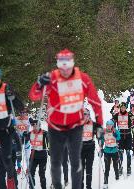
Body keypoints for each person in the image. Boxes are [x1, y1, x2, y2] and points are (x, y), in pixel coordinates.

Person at [29, 49, 103, 189]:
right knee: (56, 162)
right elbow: (34, 96)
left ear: (72, 63)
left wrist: (99, 123)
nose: (65, 69)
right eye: (61, 64)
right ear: (58, 64)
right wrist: (38, 83)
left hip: (75, 126)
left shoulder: (83, 78)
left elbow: (95, 101)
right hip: (55, 127)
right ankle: (57, 185)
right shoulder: (51, 78)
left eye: (67, 64)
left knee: (75, 161)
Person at [23, 118, 48, 189]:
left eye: (35, 125)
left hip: (42, 156)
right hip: (33, 156)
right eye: (32, 125)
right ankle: (32, 186)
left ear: (39, 125)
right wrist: (24, 135)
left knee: (41, 174)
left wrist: (49, 150)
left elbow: (49, 143)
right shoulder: (30, 133)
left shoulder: (44, 133)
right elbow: (23, 141)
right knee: (30, 173)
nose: (34, 127)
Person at [112, 102, 134, 176]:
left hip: (128, 136)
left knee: (128, 153)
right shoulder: (117, 115)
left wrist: (133, 123)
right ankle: (120, 167)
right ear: (120, 108)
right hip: (120, 137)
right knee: (120, 153)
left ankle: (129, 168)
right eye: (121, 107)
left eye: (124, 107)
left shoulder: (129, 114)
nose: (123, 109)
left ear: (126, 108)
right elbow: (111, 122)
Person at [81, 108, 102, 189]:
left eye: (86, 115)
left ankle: (88, 186)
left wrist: (99, 133)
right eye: (83, 115)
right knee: (81, 168)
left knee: (89, 167)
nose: (84, 117)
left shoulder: (94, 124)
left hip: (90, 147)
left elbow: (99, 133)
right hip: (80, 148)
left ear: (89, 116)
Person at [100, 120, 120, 189]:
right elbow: (101, 140)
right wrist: (101, 149)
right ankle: (105, 183)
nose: (109, 126)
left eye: (110, 125)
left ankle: (117, 179)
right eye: (107, 125)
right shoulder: (104, 131)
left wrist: (116, 135)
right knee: (107, 168)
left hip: (114, 151)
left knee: (115, 166)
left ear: (112, 125)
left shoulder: (115, 131)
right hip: (107, 151)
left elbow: (119, 138)